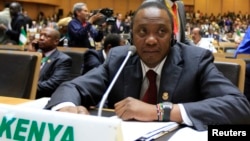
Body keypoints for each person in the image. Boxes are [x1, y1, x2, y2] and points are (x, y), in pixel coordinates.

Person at [45, 1, 250, 131]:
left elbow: (239, 107)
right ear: (132, 37)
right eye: (142, 32)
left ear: (172, 37)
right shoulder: (119, 59)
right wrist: (68, 109)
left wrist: (159, 111)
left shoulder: (195, 60)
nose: (151, 40)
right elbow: (72, 87)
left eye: (161, 32)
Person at [28, 27, 72, 99]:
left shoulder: (63, 59)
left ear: (56, 42)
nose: (41, 38)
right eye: (40, 35)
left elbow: (52, 84)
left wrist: (27, 87)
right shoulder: (36, 54)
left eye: (46, 36)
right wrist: (30, 56)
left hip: (43, 98)